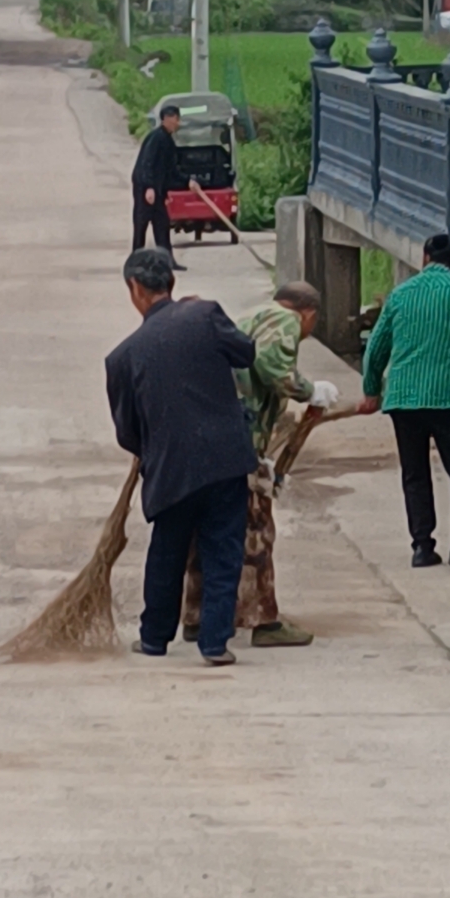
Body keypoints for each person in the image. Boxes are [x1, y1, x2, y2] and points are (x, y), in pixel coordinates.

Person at [105, 247, 257, 665]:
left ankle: (154, 638)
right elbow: (246, 353)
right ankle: (214, 643)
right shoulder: (205, 315)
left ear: (134, 289)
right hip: (225, 458)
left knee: (167, 551)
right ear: (171, 283)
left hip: (171, 469)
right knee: (223, 550)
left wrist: (154, 450)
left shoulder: (121, 358)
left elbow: (127, 432)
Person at [181, 280, 339, 648]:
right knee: (255, 533)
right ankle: (263, 621)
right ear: (309, 315)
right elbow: (271, 365)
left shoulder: (250, 316)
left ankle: (196, 615)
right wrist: (309, 390)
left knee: (206, 533)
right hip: (242, 445)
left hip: (218, 438)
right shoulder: (284, 320)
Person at [358, 231, 450, 572]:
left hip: (404, 399)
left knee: (415, 473)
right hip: (449, 397)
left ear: (424, 258)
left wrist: (371, 388)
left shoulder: (400, 294)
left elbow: (376, 347)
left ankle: (422, 548)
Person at [131, 104, 184, 264]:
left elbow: (170, 170)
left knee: (162, 224)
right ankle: (136, 260)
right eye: (175, 119)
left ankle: (167, 261)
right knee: (142, 223)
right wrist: (149, 187)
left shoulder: (168, 140)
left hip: (158, 189)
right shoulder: (156, 138)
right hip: (145, 188)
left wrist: (188, 182)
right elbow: (147, 163)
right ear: (166, 119)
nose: (177, 123)